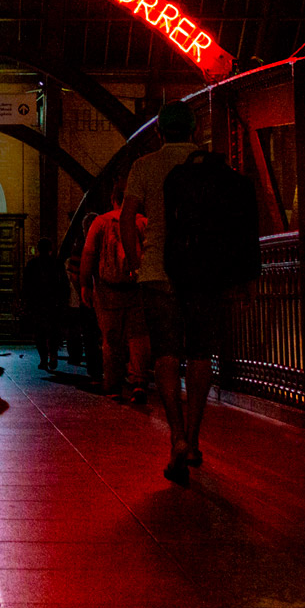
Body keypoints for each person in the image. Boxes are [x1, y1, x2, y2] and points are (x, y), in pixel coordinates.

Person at [121, 100, 214, 487]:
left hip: (158, 271)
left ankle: (175, 436)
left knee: (164, 354)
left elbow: (128, 217)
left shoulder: (144, 166)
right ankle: (193, 439)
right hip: (201, 273)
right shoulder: (210, 165)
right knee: (198, 353)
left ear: (158, 132)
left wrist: (135, 259)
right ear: (194, 131)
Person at [80, 183, 149, 402]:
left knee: (111, 338)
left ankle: (113, 385)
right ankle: (138, 381)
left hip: (107, 289)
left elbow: (89, 254)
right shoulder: (142, 222)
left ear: (113, 199)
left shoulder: (101, 222)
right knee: (137, 336)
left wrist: (86, 284)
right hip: (137, 288)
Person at [63, 214, 103, 385]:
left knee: (91, 335)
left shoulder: (80, 247)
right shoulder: (105, 243)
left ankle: (95, 371)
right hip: (106, 294)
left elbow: (73, 274)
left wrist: (82, 292)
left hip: (89, 298)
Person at [20, 239, 67, 370]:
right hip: (53, 302)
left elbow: (26, 285)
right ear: (50, 248)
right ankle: (53, 354)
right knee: (53, 330)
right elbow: (63, 284)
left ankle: (44, 359)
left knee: (39, 332)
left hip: (37, 302)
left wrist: (25, 301)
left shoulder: (32, 264)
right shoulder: (57, 264)